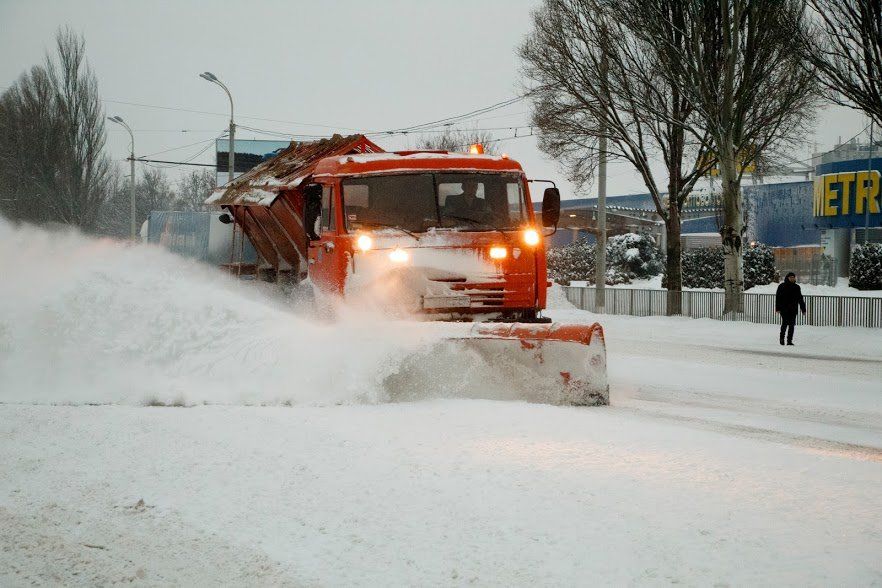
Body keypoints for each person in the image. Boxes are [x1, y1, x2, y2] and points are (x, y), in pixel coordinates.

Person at [775, 272, 806, 346]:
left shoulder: (797, 287)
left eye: (793, 277)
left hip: (793, 309)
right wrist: (777, 308)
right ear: (787, 278)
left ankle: (789, 340)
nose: (792, 278)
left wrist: (803, 309)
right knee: (785, 323)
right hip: (784, 309)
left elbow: (800, 299)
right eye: (791, 277)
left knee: (792, 325)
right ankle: (782, 339)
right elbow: (778, 298)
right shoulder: (782, 286)